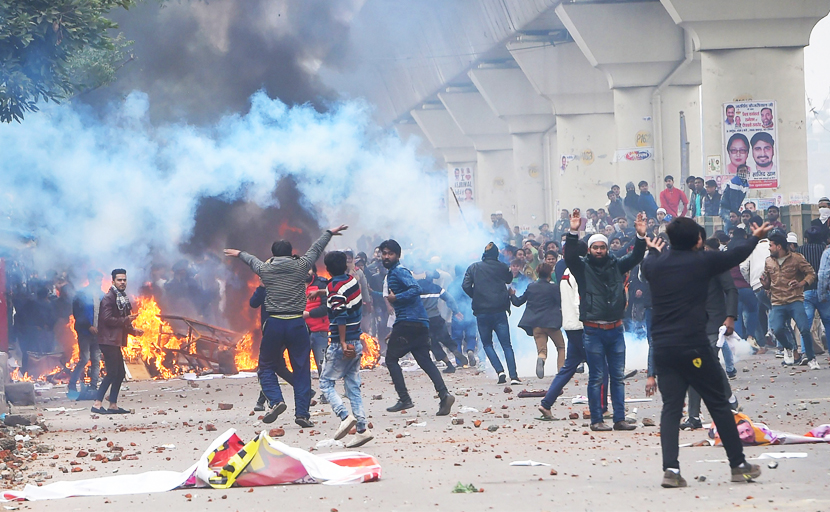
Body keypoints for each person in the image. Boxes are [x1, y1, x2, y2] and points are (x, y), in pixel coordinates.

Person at [641, 217, 767, 488]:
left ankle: (671, 470)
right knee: (719, 404)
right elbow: (736, 254)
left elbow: (648, 264)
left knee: (671, 408)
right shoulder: (702, 261)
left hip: (663, 348)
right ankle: (738, 465)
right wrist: (755, 237)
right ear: (698, 240)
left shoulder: (655, 263)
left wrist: (651, 248)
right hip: (694, 345)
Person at [225, 224, 346, 426]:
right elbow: (315, 249)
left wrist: (239, 253)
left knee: (265, 366)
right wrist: (328, 233)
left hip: (274, 323)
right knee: (301, 369)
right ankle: (302, 414)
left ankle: (276, 400)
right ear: (291, 253)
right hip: (297, 323)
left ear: (273, 254)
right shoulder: (300, 267)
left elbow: (251, 260)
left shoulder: (265, 269)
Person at [565, 212, 647, 431]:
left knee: (618, 378)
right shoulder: (582, 269)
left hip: (616, 330)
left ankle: (619, 419)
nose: (599, 251)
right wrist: (574, 232)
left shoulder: (616, 266)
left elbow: (636, 257)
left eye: (602, 247)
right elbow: (570, 257)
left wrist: (640, 236)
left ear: (607, 249)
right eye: (595, 248)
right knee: (597, 377)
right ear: (590, 250)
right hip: (593, 332)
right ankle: (597, 420)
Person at [380, 240, 455, 415]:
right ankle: (444, 395)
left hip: (409, 322)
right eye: (384, 253)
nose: (386, 256)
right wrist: (395, 329)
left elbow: (415, 288)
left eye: (390, 253)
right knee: (424, 360)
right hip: (418, 322)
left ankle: (404, 399)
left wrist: (396, 297)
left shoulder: (399, 271)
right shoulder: (394, 273)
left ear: (397, 256)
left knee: (391, 359)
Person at [678, 235, 741, 430]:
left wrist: (730, 316)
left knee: (700, 365)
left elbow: (731, 290)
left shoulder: (715, 263)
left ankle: (695, 415)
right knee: (703, 366)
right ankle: (728, 400)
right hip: (691, 325)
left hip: (715, 323)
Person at [320, 251, 373, 448]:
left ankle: (344, 416)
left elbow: (340, 314)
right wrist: (322, 293)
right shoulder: (351, 281)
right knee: (352, 386)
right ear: (345, 266)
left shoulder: (333, 287)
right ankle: (362, 428)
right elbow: (342, 299)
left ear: (327, 269)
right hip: (356, 341)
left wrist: (342, 342)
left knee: (325, 383)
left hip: (340, 343)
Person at [463, 242, 519, 385]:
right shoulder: (502, 266)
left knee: (487, 344)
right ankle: (513, 376)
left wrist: (476, 296)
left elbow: (465, 285)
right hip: (499, 310)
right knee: (506, 345)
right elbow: (509, 279)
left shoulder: (474, 267)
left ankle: (500, 371)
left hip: (482, 311)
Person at [761, 233, 819, 368]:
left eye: (771, 245)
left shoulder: (796, 258)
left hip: (795, 299)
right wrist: (764, 283)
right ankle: (789, 348)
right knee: (776, 329)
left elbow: (811, 273)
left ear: (779, 246)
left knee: (804, 328)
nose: (769, 248)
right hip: (777, 301)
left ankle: (811, 358)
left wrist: (801, 283)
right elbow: (768, 284)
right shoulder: (768, 261)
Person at [92, 269, 144, 415]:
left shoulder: (122, 298)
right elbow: (106, 320)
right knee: (113, 373)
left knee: (120, 373)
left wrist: (134, 331)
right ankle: (97, 404)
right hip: (107, 341)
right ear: (113, 281)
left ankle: (113, 404)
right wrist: (127, 320)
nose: (122, 282)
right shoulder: (109, 298)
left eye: (124, 280)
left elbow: (122, 323)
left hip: (114, 341)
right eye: (119, 280)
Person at [510, 263, 565, 379]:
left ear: (537, 272)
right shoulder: (554, 287)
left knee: (542, 350)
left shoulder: (531, 287)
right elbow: (561, 303)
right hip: (552, 324)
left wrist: (512, 295)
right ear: (550, 273)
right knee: (560, 347)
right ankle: (561, 372)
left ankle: (541, 359)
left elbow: (518, 302)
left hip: (536, 324)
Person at [250, 282, 297, 412]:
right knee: (278, 367)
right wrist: (261, 287)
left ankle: (273, 400)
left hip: (277, 332)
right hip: (279, 331)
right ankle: (304, 391)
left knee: (266, 367)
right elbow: (253, 303)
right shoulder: (267, 288)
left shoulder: (284, 285)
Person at [418, 271, 466, 373]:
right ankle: (454, 350)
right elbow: (450, 299)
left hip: (424, 320)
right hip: (437, 318)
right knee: (445, 338)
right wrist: (456, 311)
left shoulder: (418, 287)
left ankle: (449, 365)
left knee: (433, 344)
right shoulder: (437, 288)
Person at [69, 270, 104, 396]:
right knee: (84, 359)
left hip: (98, 334)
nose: (99, 282)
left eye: (100, 280)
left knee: (96, 359)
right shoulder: (81, 295)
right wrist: (88, 326)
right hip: (85, 332)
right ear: (90, 279)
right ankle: (72, 384)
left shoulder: (102, 295)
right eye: (97, 279)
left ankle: (93, 386)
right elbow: (77, 314)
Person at [798, 226, 830, 354]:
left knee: (806, 323)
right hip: (825, 290)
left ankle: (806, 352)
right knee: (828, 322)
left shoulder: (799, 252)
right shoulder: (825, 250)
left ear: (806, 239)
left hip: (806, 290)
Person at [448, 265, 478, 366]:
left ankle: (459, 361)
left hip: (457, 314)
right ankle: (470, 350)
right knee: (471, 336)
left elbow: (449, 300)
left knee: (457, 338)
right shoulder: (469, 283)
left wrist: (455, 311)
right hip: (471, 312)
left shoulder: (452, 285)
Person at [720, 164, 749, 231]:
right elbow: (733, 199)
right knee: (729, 221)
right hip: (726, 208)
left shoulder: (745, 184)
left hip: (734, 208)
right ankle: (727, 238)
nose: (743, 173)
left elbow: (740, 200)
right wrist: (735, 212)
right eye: (741, 171)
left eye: (744, 171)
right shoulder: (734, 182)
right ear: (737, 172)